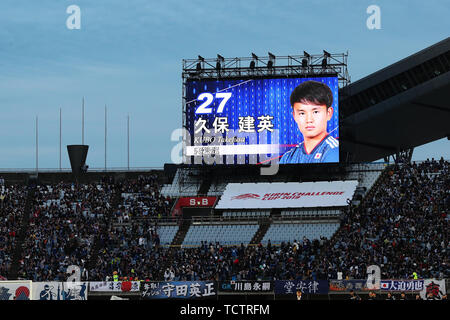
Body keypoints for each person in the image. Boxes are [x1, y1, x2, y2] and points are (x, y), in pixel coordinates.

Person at [280, 80, 339, 164]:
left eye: (315, 112)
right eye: (302, 113)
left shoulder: (334, 151)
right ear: (294, 116)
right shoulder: (288, 157)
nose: (309, 120)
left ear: (329, 113)